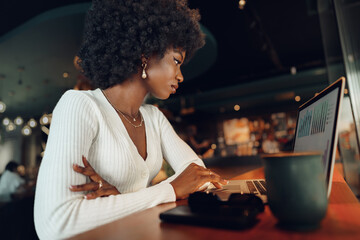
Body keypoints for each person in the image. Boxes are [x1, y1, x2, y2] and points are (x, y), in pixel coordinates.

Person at [34, 0, 228, 239]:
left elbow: (199, 177)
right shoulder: (80, 105)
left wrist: (123, 200)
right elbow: (56, 224)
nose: (180, 76)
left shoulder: (153, 118)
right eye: (176, 61)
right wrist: (170, 189)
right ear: (145, 55)